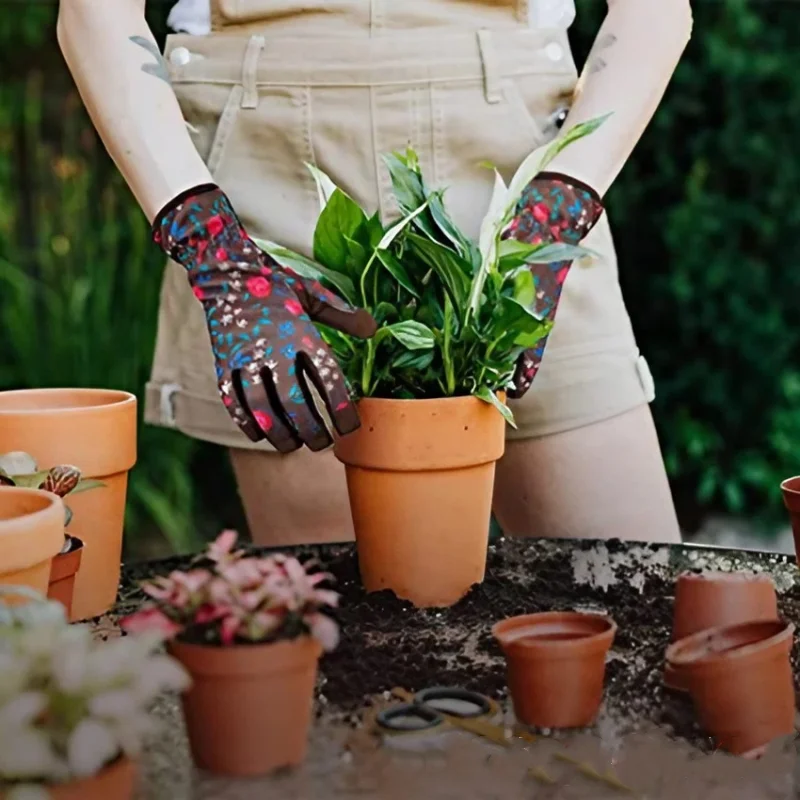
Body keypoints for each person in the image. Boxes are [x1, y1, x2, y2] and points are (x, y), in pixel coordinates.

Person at [58, 0, 692, 547]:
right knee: (350, 641)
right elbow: (95, 13)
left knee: (635, 603)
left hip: (515, 179)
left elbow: (654, 12)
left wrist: (560, 208)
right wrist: (220, 257)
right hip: (269, 182)